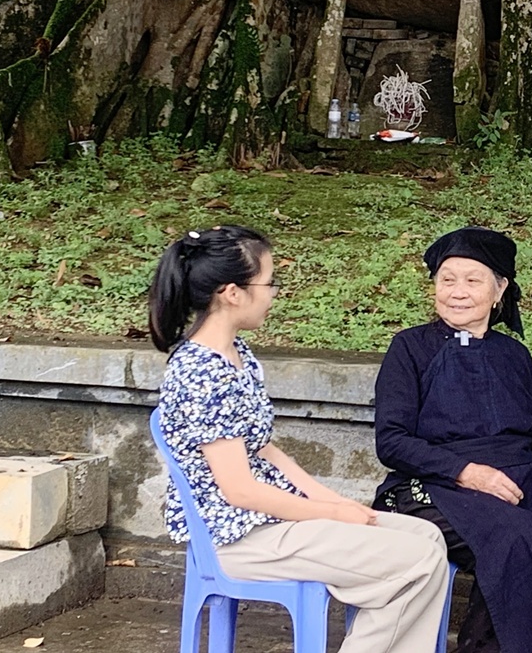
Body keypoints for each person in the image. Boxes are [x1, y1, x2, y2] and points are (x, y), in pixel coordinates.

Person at [150, 225, 450, 653]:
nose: (274, 294)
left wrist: (337, 504)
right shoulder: (202, 372)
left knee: (427, 537)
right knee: (416, 562)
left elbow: (266, 450)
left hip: (270, 521)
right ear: (232, 293)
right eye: (268, 283)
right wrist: (327, 514)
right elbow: (240, 491)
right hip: (238, 537)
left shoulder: (237, 355)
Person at [372, 226, 532, 653]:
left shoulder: (514, 354)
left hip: (522, 477)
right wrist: (466, 472)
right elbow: (392, 441)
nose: (457, 292)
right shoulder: (410, 348)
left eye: (472, 280)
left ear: (499, 289)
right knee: (514, 539)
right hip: (436, 483)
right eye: (447, 280)